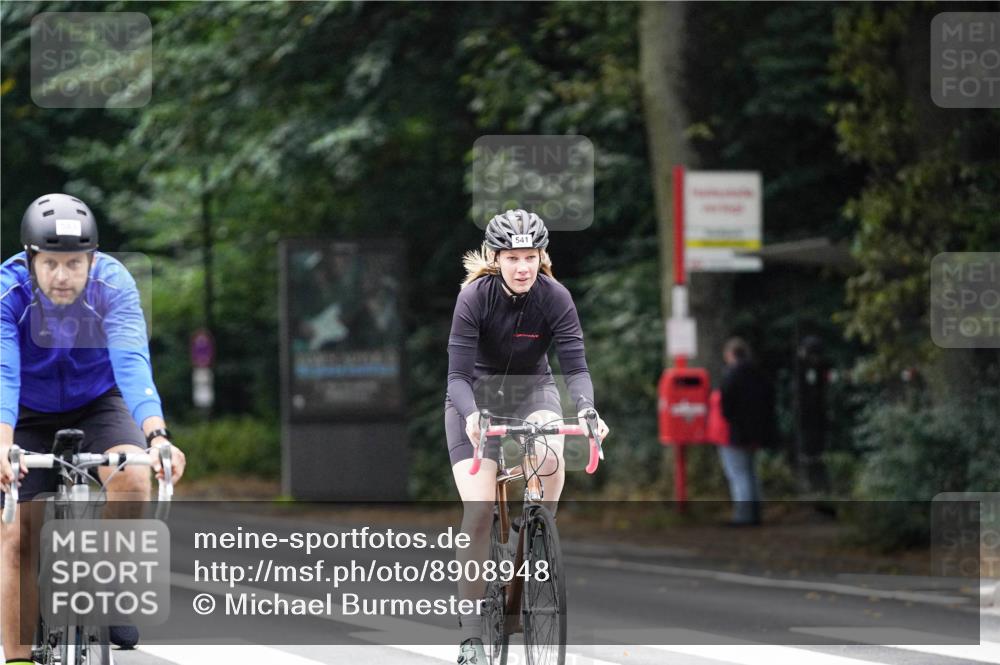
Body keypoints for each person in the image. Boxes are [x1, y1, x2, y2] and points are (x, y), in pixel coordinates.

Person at [0, 193, 187, 660]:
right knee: (15, 535)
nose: (62, 276)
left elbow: (131, 359)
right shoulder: (8, 291)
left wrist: (157, 436)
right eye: (50, 264)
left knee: (135, 478)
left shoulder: (114, 284)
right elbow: (3, 372)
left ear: (92, 260)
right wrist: (3, 445)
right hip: (24, 410)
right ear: (30, 260)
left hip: (97, 401)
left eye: (74, 264)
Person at [445, 209, 609, 664]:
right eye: (513, 257)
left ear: (542, 256)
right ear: (497, 259)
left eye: (531, 257)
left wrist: (588, 410)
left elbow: (575, 368)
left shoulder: (555, 296)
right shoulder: (474, 298)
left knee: (552, 456)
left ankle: (534, 528)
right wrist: (473, 415)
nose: (523, 267)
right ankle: (472, 635)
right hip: (474, 396)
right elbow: (456, 376)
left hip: (532, 391)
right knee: (478, 512)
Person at [718, 337, 775, 526]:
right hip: (758, 431)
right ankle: (756, 513)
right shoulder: (759, 374)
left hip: (738, 432)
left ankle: (743, 516)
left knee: (738, 474)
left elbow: (726, 405)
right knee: (751, 472)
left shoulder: (731, 375)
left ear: (730, 355)